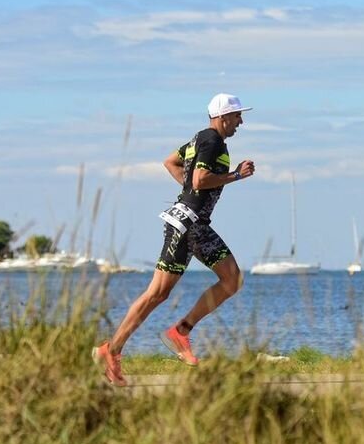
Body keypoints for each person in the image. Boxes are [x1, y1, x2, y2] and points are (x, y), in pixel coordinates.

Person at [92, 93, 255, 386]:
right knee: (231, 280)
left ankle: (112, 349)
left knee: (158, 294)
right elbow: (200, 180)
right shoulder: (211, 140)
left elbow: (171, 162)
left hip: (184, 222)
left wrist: (193, 190)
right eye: (237, 116)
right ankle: (179, 332)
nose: (240, 121)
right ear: (223, 117)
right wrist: (235, 176)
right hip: (192, 226)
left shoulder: (198, 140)